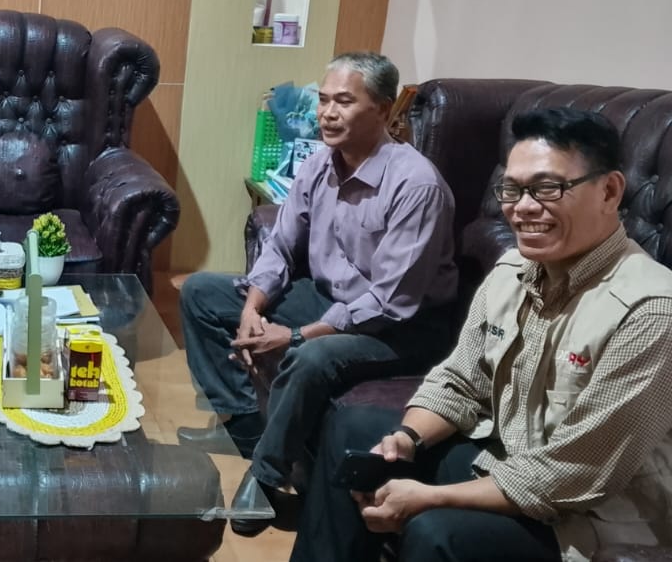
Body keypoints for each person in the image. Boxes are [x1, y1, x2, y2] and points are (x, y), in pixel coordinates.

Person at [292, 107, 672, 562]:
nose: (523, 207)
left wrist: (430, 498)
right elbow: (460, 381)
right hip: (510, 461)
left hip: (595, 517)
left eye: (547, 188)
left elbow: (573, 474)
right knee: (353, 430)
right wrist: (408, 438)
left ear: (609, 191)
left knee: (436, 531)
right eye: (512, 189)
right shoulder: (513, 270)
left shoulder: (651, 311)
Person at [178, 52, 458, 535]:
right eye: (324, 100)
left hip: (402, 325)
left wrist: (294, 336)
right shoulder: (318, 165)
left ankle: (266, 476)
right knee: (202, 292)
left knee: (311, 357)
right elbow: (280, 245)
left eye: (343, 102)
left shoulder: (416, 185)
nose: (327, 113)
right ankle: (245, 427)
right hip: (333, 299)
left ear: (383, 109)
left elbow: (390, 301)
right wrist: (252, 307)